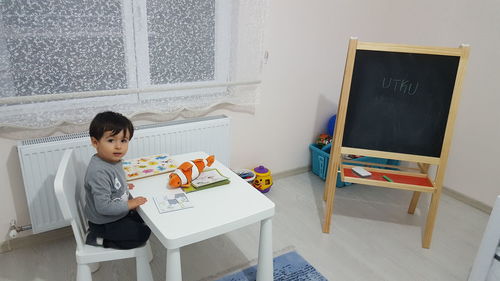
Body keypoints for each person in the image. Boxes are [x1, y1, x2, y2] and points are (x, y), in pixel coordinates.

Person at [84, 111, 151, 249]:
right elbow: (104, 207)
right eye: (111, 140)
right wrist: (131, 202)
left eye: (123, 140)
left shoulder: (112, 159)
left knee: (145, 218)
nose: (118, 146)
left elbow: (113, 181)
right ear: (95, 142)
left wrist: (123, 188)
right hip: (104, 222)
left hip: (115, 214)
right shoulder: (99, 171)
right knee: (143, 234)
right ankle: (97, 239)